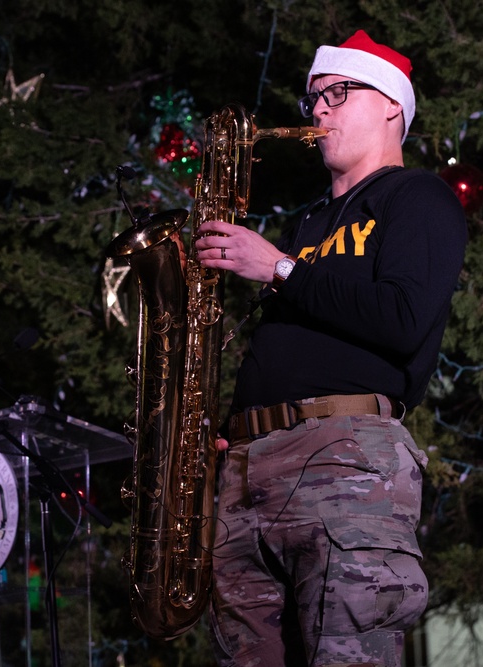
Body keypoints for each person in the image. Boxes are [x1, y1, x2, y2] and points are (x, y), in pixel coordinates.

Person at [193, 30, 468, 667]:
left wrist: (282, 270)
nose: (318, 109)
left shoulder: (416, 196)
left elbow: (403, 319)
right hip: (250, 473)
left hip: (345, 460)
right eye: (313, 97)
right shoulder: (311, 223)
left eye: (338, 93)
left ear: (392, 106)